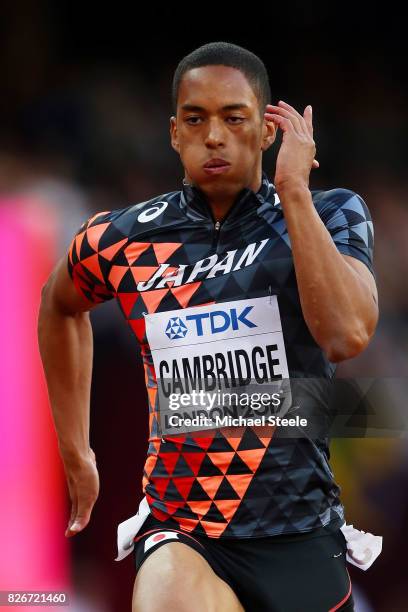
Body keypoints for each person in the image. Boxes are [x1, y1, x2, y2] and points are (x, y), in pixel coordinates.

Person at [38, 42, 378, 612]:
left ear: (267, 132)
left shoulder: (333, 212)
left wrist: (293, 190)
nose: (213, 136)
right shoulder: (125, 239)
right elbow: (59, 304)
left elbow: (346, 335)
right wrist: (76, 450)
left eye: (234, 118)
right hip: (184, 528)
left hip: (299, 533)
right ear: (174, 133)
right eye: (195, 119)